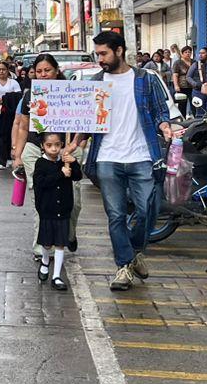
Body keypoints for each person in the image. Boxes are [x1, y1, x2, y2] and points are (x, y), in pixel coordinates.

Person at [85, 29, 180, 292]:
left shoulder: (145, 79)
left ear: (119, 51)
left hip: (141, 156)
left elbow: (161, 110)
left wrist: (165, 126)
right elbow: (84, 121)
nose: (100, 59)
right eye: (97, 54)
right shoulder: (95, 83)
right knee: (115, 215)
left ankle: (135, 250)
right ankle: (124, 266)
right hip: (107, 157)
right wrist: (72, 144)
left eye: (104, 53)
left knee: (147, 209)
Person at [10, 53, 83, 256]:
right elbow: (23, 127)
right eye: (39, 71)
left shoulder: (72, 91)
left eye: (47, 70)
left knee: (74, 201)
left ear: (56, 70)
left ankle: (68, 234)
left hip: (65, 149)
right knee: (41, 199)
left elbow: (83, 123)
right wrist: (18, 154)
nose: (43, 75)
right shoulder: (30, 94)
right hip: (35, 150)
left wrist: (75, 145)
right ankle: (41, 247)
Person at [33, 133, 83, 292]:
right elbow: (41, 183)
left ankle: (56, 276)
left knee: (61, 243)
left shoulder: (65, 161)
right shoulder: (41, 163)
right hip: (47, 210)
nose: (53, 148)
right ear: (43, 146)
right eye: (49, 145)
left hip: (63, 210)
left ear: (62, 145)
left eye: (57, 145)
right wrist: (61, 174)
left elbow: (77, 175)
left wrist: (73, 163)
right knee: (47, 243)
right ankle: (45, 262)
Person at [0, 60, 23, 169]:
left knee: (10, 133)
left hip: (11, 111)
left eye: (4, 69)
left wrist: (2, 99)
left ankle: (9, 157)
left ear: (8, 71)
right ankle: (0, 161)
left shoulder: (14, 82)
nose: (2, 72)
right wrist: (6, 99)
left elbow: (17, 97)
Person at [170, 46, 193, 118]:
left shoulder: (194, 62)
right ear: (182, 54)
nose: (188, 54)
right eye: (186, 52)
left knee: (194, 103)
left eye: (189, 52)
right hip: (182, 86)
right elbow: (175, 75)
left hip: (193, 86)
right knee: (182, 104)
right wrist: (176, 85)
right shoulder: (178, 63)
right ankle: (183, 119)